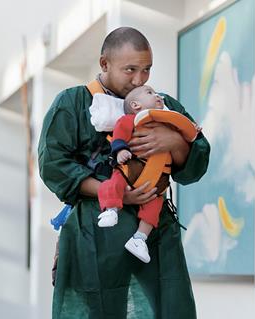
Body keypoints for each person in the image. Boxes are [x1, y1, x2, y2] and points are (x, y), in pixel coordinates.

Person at [38, 27, 210, 318]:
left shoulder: (161, 104)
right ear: (104, 63)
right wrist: (117, 194)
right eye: (130, 69)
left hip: (154, 231)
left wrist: (175, 142)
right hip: (95, 231)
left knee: (169, 306)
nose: (139, 79)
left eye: (146, 70)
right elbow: (53, 165)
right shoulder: (72, 104)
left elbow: (195, 163)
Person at [97, 85, 201, 264]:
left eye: (156, 92)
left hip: (157, 182)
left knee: (154, 209)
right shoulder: (132, 120)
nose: (157, 95)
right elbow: (119, 134)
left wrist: (193, 131)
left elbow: (187, 136)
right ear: (136, 105)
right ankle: (110, 209)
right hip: (131, 170)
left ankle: (139, 239)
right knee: (113, 184)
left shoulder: (169, 125)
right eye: (150, 93)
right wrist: (120, 150)